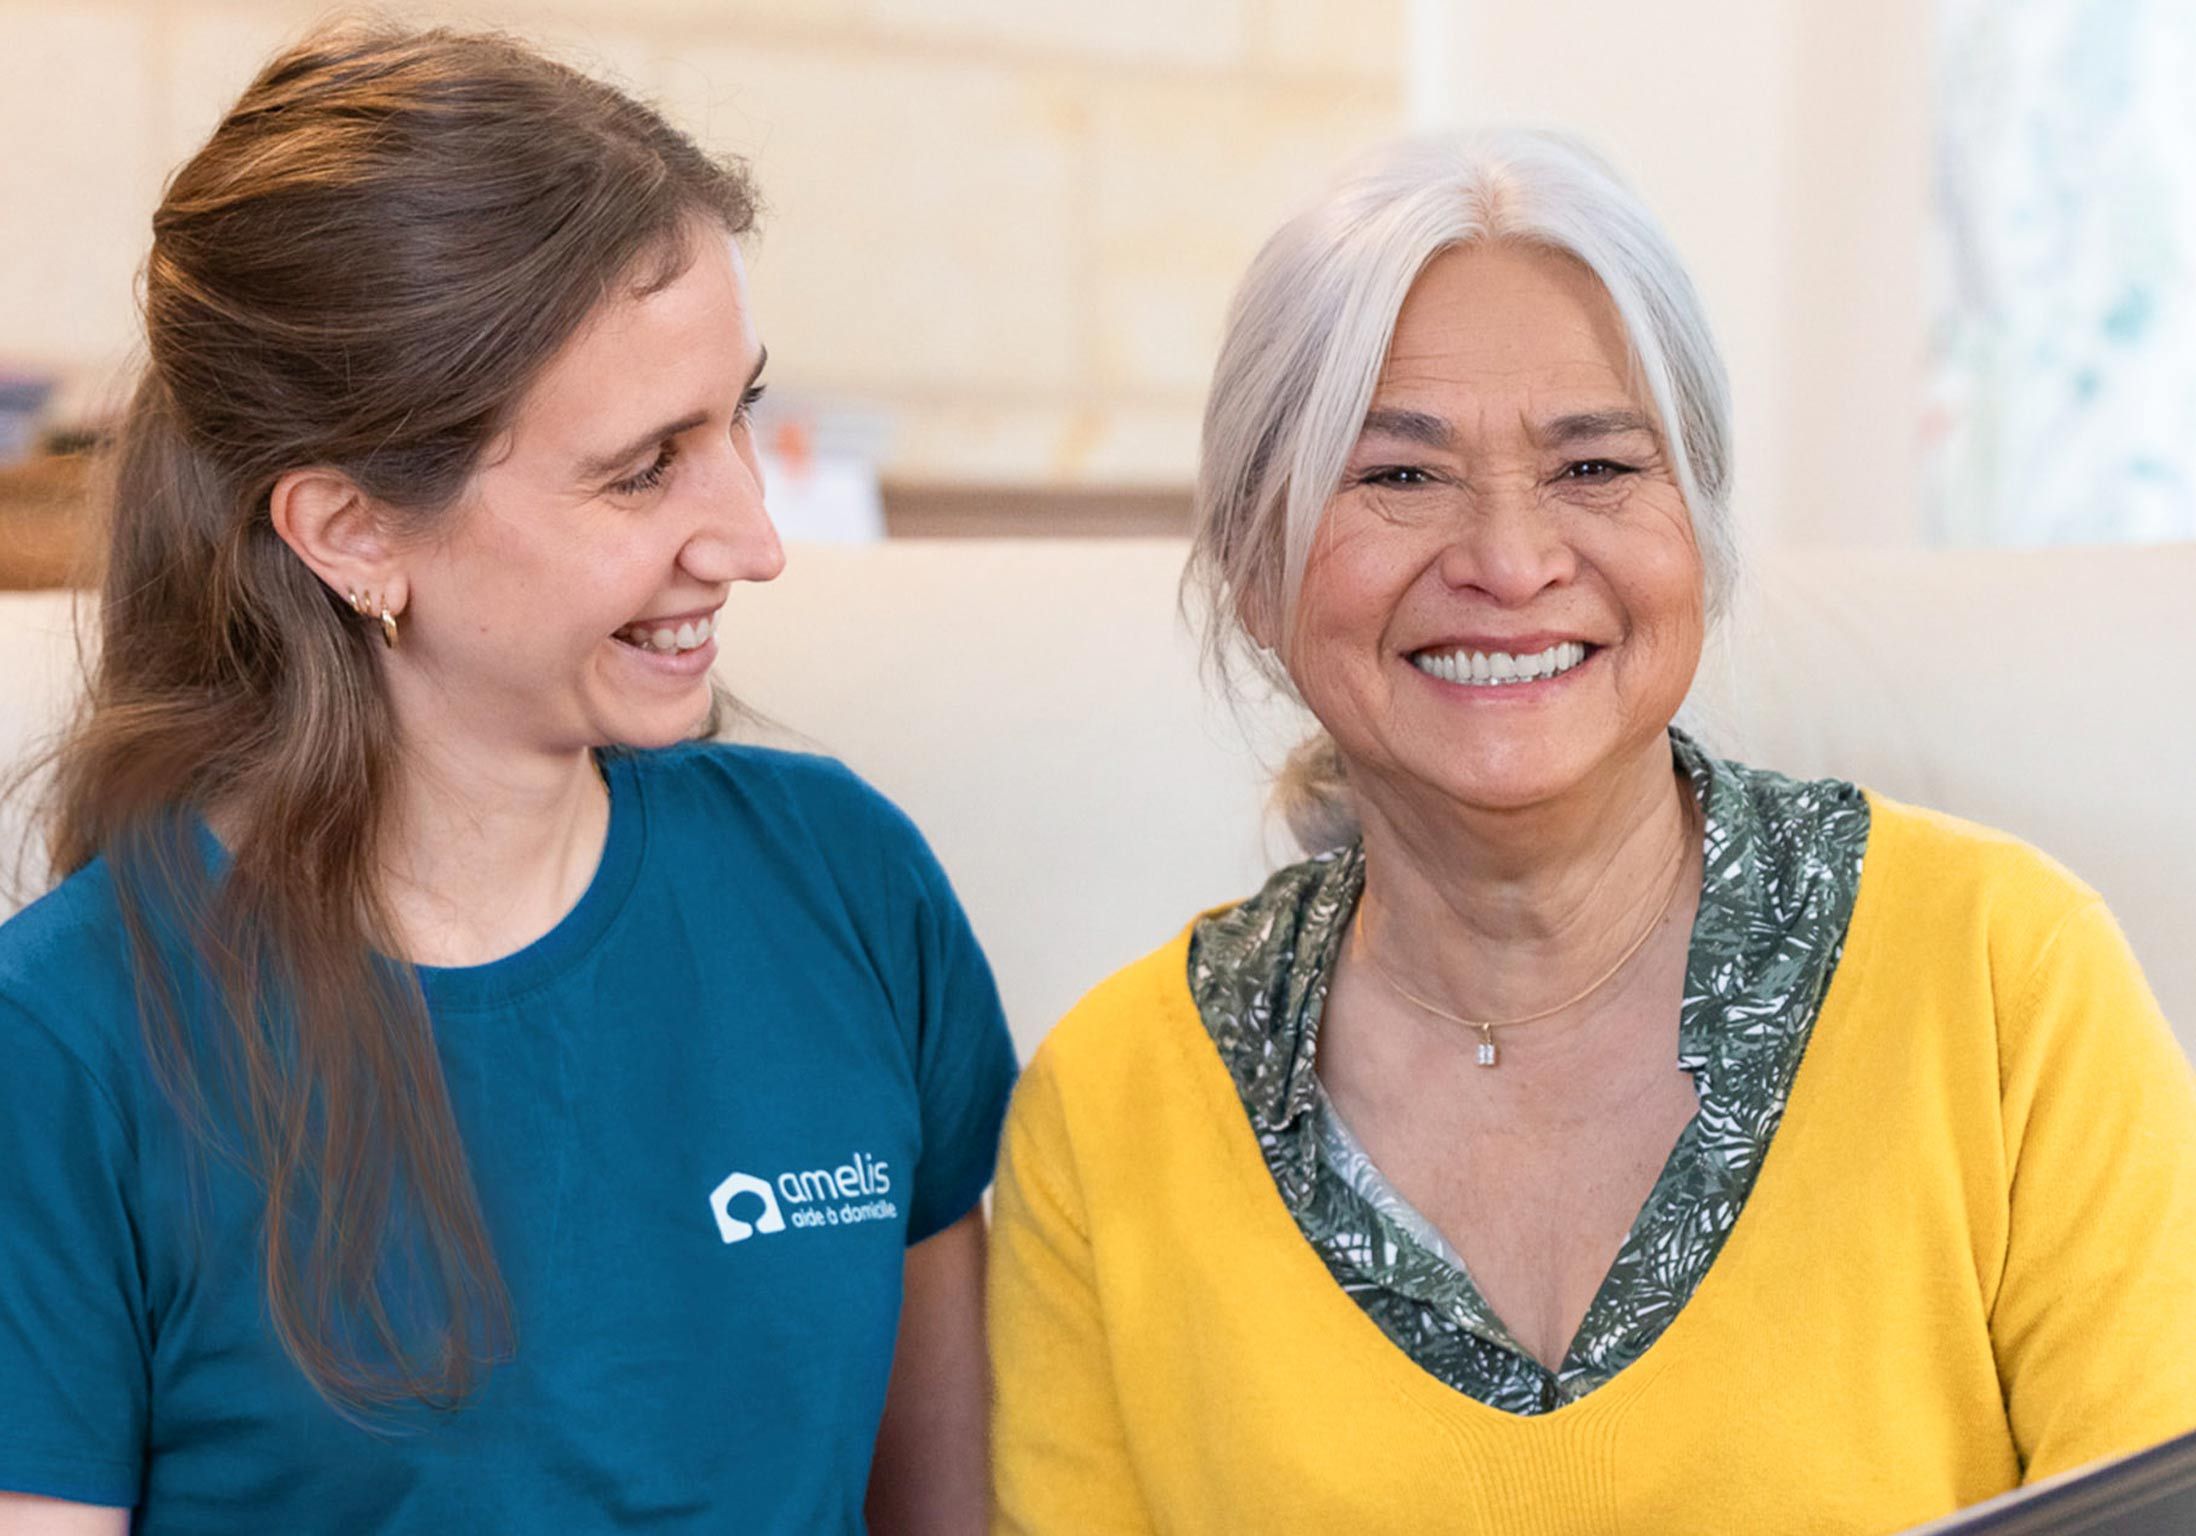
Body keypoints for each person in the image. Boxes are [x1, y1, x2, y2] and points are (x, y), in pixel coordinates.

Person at [987, 129, 2196, 1534]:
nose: (1509, 560)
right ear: (1256, 568)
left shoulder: (2003, 977)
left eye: (1595, 467)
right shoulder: (1109, 1104)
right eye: (1400, 476)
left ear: (1701, 536)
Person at [0, 26, 1015, 1536]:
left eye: (735, 416)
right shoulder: (66, 1049)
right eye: (643, 467)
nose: (753, 537)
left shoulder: (852, 893)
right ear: (350, 532)